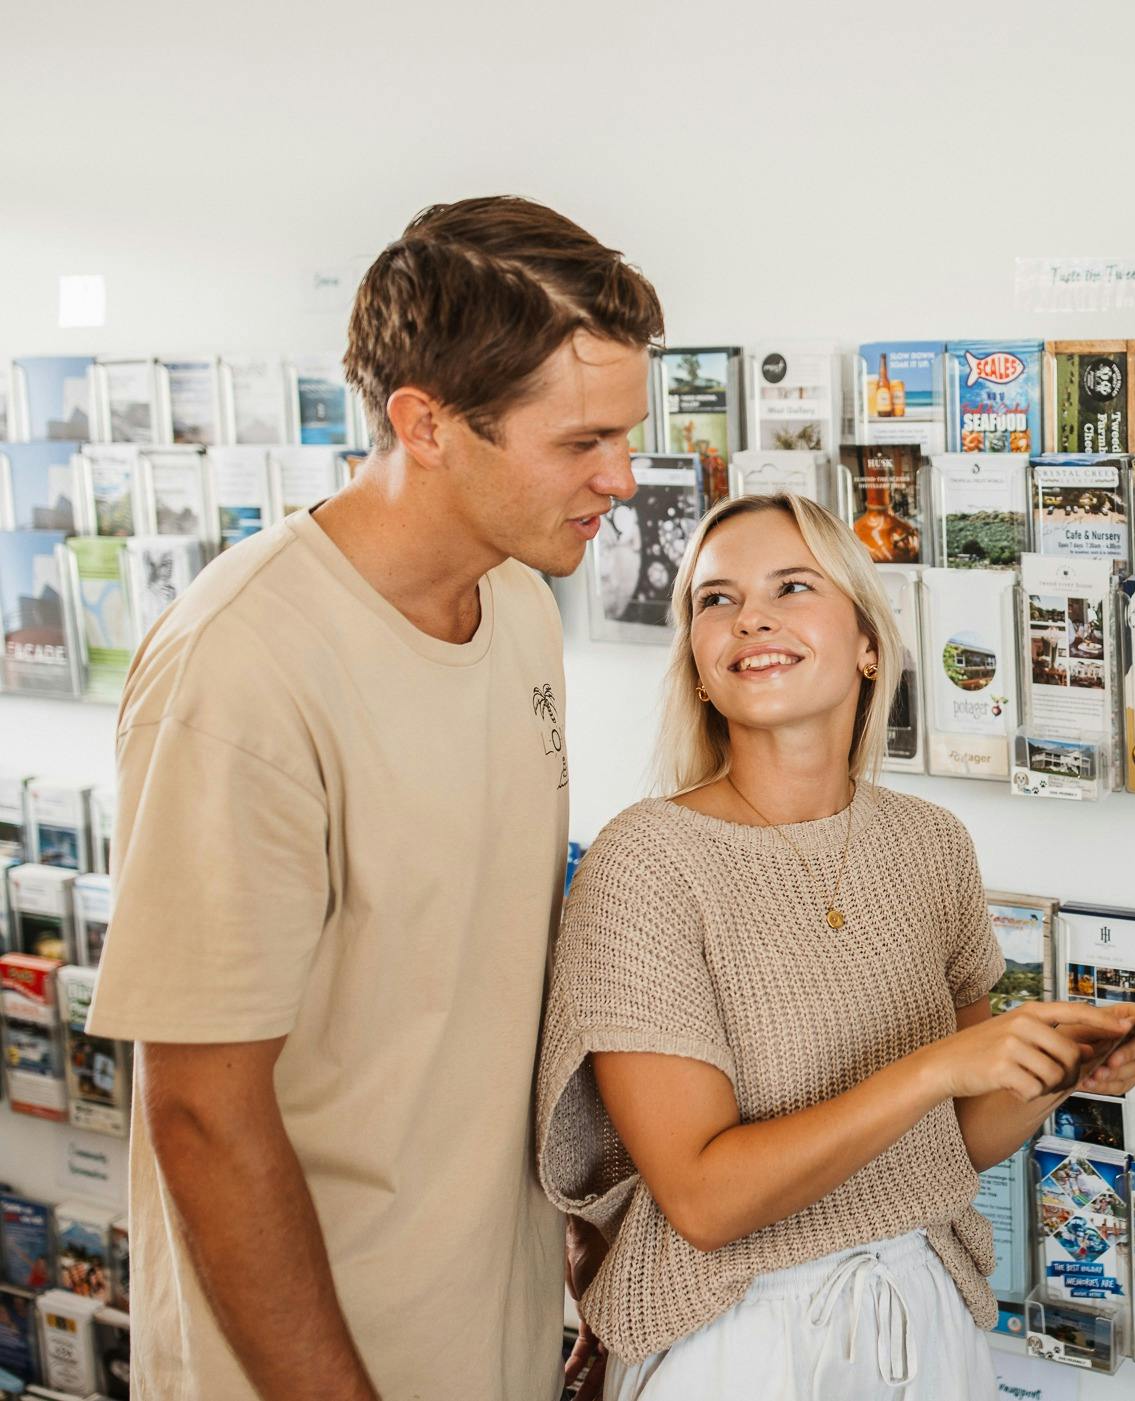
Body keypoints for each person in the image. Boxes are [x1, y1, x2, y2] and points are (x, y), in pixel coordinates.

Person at [86, 196, 661, 1400]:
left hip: (490, 1335)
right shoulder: (237, 672)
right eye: (580, 443)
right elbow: (201, 1116)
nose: (623, 478)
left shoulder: (514, 602)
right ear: (428, 423)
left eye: (627, 434)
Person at [536, 494, 1135, 1399]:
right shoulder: (647, 861)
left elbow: (953, 1142)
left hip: (926, 1311)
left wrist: (1054, 1071)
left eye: (792, 586)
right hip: (733, 1336)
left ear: (869, 641)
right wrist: (939, 1066)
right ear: (701, 670)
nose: (751, 616)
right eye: (716, 599)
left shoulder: (930, 843)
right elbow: (705, 1201)